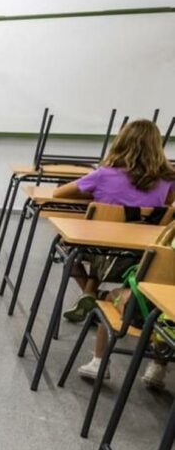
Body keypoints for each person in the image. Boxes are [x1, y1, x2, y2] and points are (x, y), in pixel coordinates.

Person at [54, 120, 175, 382]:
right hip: (144, 261)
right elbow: (168, 207)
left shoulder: (104, 175)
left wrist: (96, 195)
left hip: (102, 255)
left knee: (65, 244)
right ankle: (95, 295)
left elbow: (59, 193)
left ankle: (91, 291)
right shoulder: (168, 181)